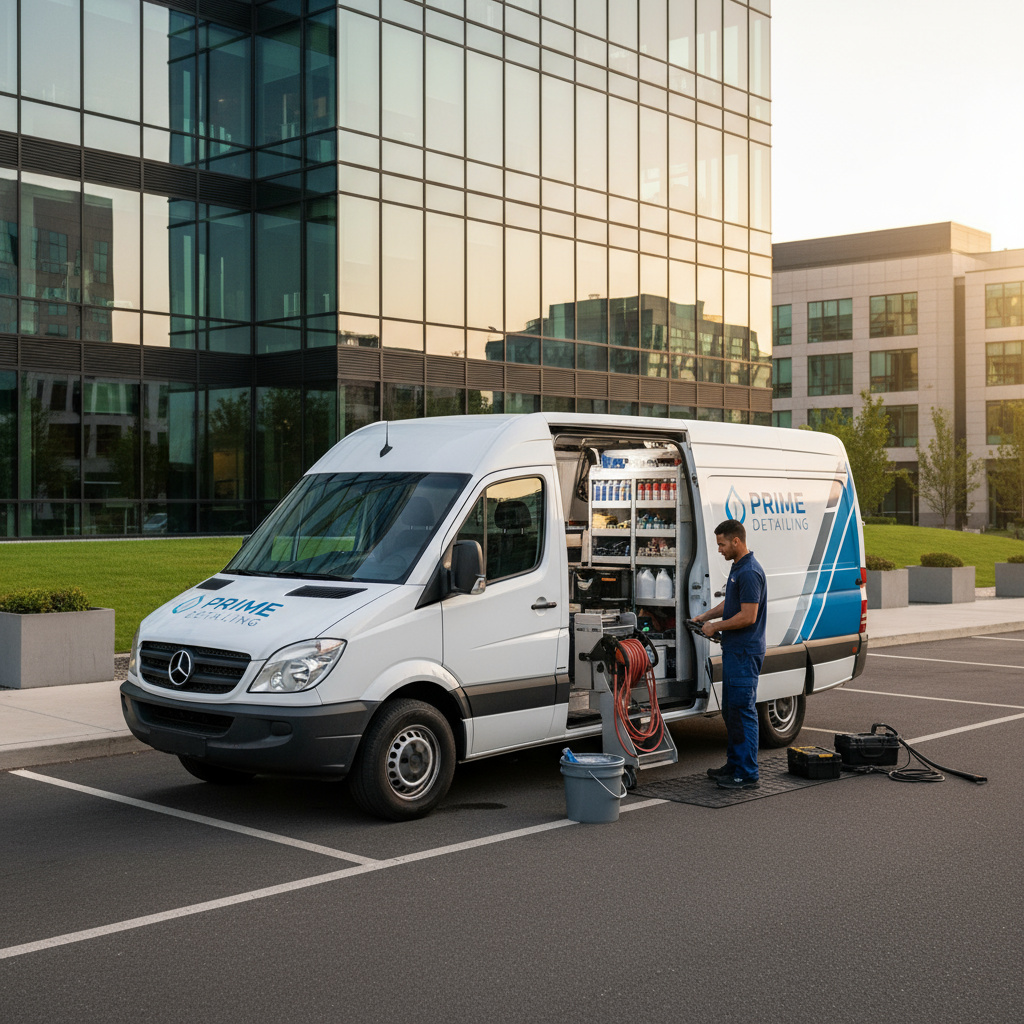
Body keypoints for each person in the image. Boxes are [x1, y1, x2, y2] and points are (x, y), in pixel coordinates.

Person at [693, 519, 767, 790]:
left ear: (736, 541)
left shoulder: (749, 572)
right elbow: (732, 603)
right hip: (735, 651)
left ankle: (747, 773)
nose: (719, 549)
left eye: (722, 544)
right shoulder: (738, 568)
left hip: (745, 652)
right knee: (731, 711)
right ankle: (734, 764)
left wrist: (716, 627)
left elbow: (748, 616)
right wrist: (706, 616)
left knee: (742, 710)